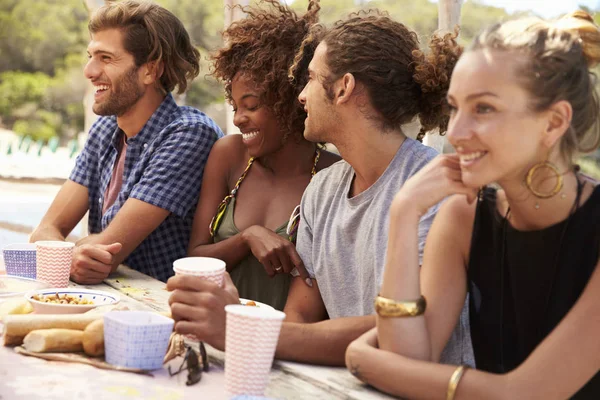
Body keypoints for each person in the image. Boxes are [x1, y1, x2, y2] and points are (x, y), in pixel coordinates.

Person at [168, 11, 473, 366]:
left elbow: (408, 333)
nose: (300, 95)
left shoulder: (435, 189)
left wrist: (243, 328)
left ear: (343, 88)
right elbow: (300, 317)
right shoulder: (322, 191)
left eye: (311, 78)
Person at [345, 11, 600, 399]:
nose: (457, 132)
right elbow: (411, 355)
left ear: (553, 123)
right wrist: (404, 212)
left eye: (483, 108)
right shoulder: (464, 216)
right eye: (455, 107)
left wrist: (362, 357)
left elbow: (525, 394)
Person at [30, 0, 223, 284]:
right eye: (90, 55)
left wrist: (65, 252)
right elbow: (44, 232)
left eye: (106, 58)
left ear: (150, 70)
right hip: (107, 301)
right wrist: (72, 255)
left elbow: (105, 254)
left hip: (164, 312)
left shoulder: (189, 133)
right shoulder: (105, 129)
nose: (89, 70)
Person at [184, 0, 339, 310]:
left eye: (251, 106)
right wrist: (246, 238)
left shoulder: (333, 176)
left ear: (291, 100)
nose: (239, 118)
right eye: (235, 106)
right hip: (219, 333)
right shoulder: (229, 156)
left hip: (289, 346)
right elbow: (194, 258)